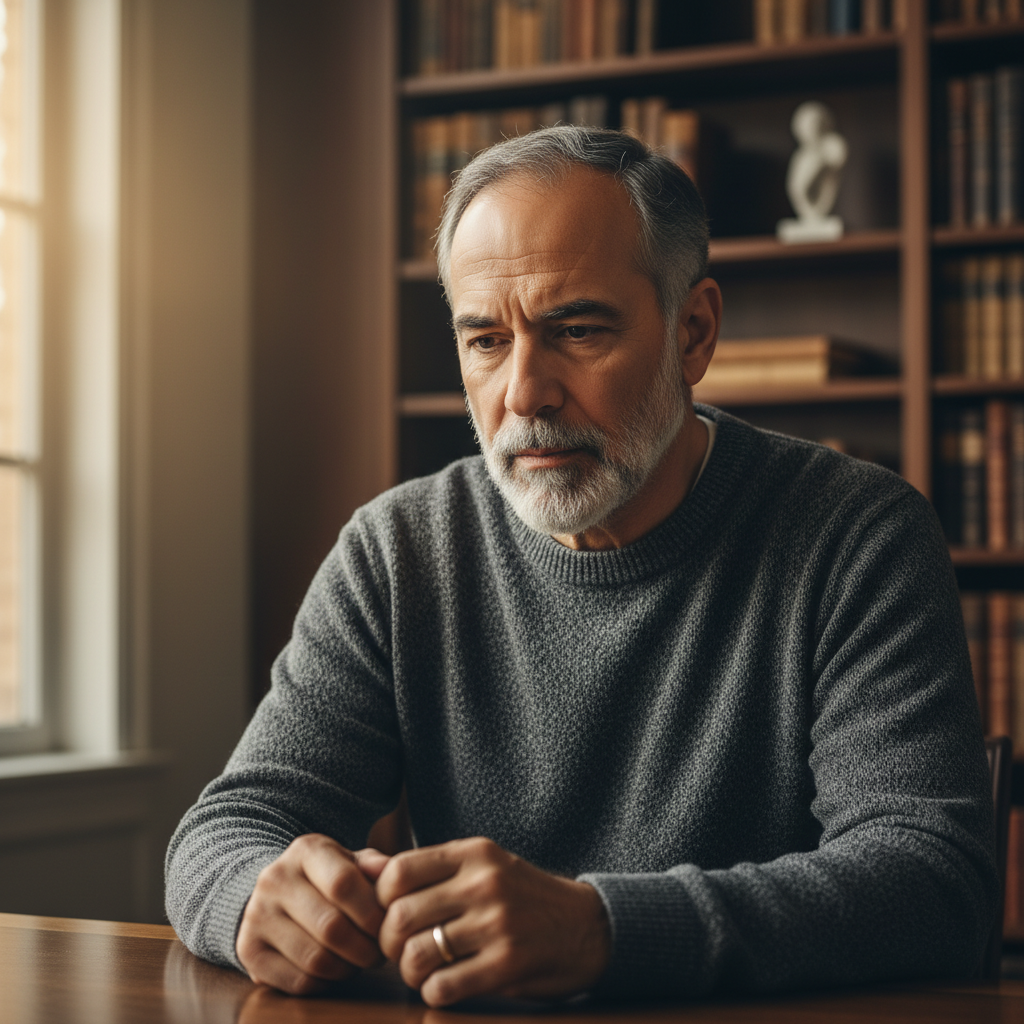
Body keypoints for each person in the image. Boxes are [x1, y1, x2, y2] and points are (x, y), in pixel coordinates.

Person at [165, 126, 997, 1008]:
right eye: (485, 341)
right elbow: (225, 829)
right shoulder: (396, 551)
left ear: (694, 333)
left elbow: (933, 881)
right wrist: (258, 897)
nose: (524, 393)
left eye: (579, 329)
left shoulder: (857, 535)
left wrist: (601, 930)